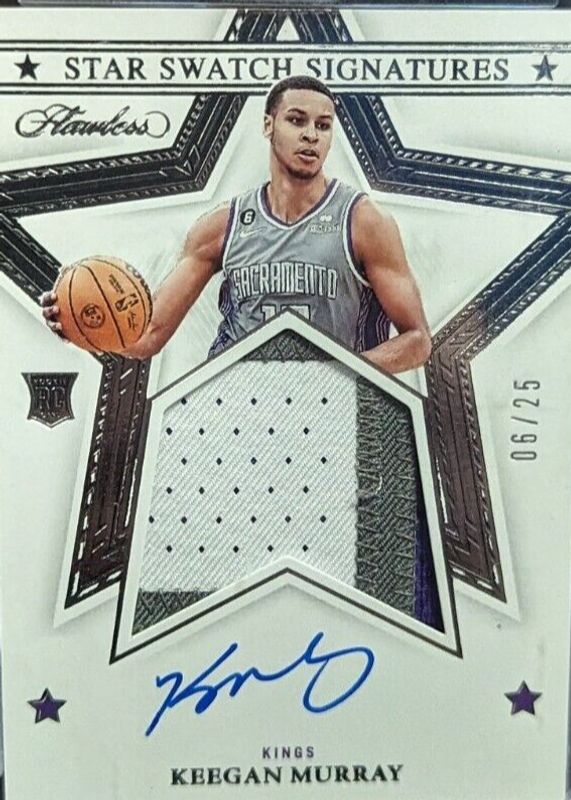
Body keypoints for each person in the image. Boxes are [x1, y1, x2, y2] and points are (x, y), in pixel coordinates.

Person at [41, 75, 431, 374]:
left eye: (323, 125)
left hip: (335, 415)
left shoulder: (363, 220)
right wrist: (82, 325)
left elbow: (417, 341)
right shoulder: (222, 225)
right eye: (297, 120)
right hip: (236, 413)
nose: (311, 135)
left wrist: (334, 374)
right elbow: (149, 334)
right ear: (268, 125)